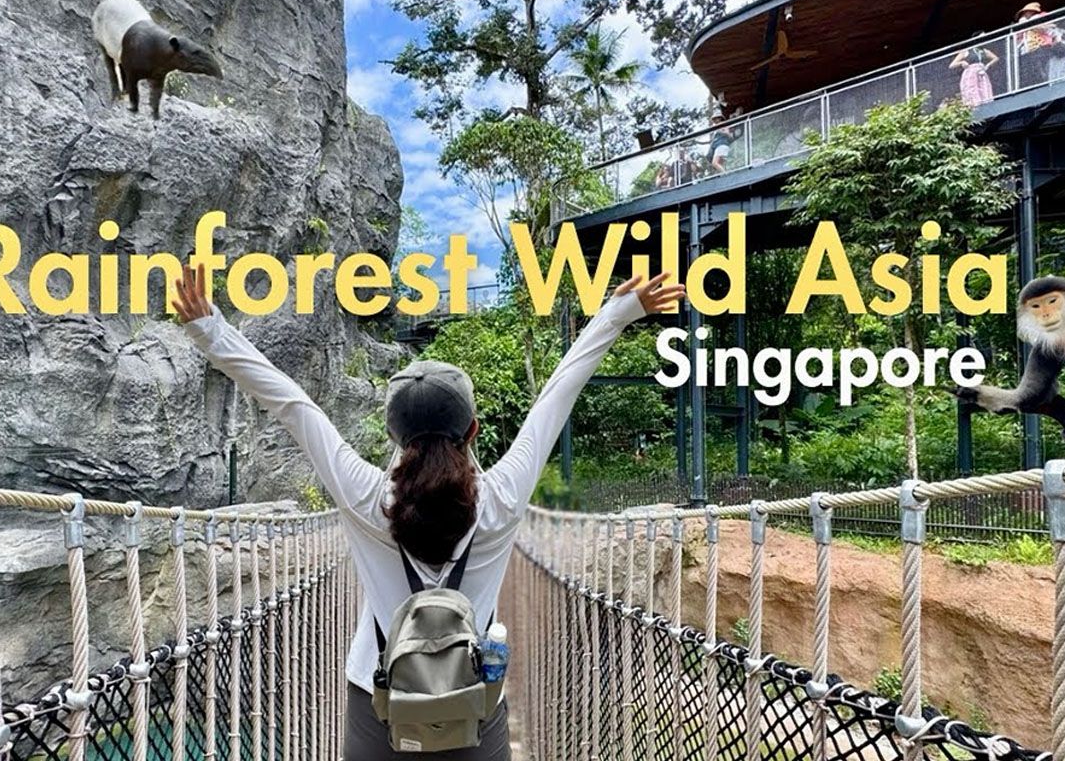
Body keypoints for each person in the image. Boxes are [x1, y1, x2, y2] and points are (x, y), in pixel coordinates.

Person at [171, 264, 685, 759]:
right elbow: (557, 396)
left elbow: (293, 404)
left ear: (395, 437)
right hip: (474, 706)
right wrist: (616, 315)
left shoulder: (364, 496)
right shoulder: (501, 499)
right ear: (473, 431)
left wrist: (208, 329)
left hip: (377, 703)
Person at [949, 34, 998, 107]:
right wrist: (961, 62)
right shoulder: (967, 51)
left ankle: (986, 105)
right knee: (972, 89)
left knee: (984, 88)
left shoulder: (984, 51)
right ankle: (973, 105)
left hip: (981, 73)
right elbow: (952, 65)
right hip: (970, 73)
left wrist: (988, 65)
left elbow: (995, 58)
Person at [1015, 2, 1055, 87]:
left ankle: (1044, 84)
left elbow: (1046, 28)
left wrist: (1027, 25)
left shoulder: (1042, 16)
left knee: (1041, 68)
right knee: (1028, 70)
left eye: (1026, 12)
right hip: (1027, 50)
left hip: (1041, 46)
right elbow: (1017, 38)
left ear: (1031, 11)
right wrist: (1023, 25)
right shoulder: (1023, 22)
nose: (1024, 14)